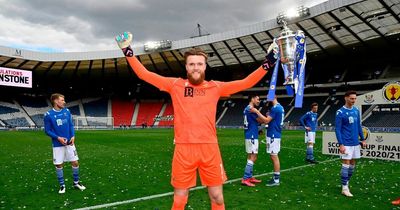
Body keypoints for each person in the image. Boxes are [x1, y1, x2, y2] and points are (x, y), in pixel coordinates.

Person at [115, 32, 277, 210]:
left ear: (205, 66)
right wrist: (126, 49)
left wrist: (268, 63)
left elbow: (245, 82)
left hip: (209, 149)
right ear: (186, 67)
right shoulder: (175, 85)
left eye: (199, 64)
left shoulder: (216, 87)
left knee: (217, 197)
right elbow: (144, 74)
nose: (195, 67)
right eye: (191, 64)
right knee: (179, 198)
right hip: (183, 150)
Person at [44, 93, 86, 194]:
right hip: (58, 144)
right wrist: (58, 138)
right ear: (55, 101)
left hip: (70, 143)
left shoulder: (67, 111)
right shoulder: (48, 115)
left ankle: (76, 183)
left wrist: (73, 136)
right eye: (62, 100)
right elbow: (47, 130)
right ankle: (62, 185)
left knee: (75, 162)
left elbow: (71, 125)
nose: (64, 102)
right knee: (59, 165)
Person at [335, 90, 366, 197]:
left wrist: (362, 139)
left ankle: (346, 183)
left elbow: (358, 126)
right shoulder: (340, 112)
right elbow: (337, 129)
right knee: (346, 164)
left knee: (352, 164)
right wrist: (341, 144)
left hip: (355, 142)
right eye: (352, 98)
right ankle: (344, 188)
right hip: (346, 143)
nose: (354, 100)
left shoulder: (356, 110)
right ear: (346, 98)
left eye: (355, 98)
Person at [252, 95, 284, 187]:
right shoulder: (279, 107)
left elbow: (266, 121)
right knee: (273, 156)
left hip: (273, 134)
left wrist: (257, 112)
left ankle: (276, 180)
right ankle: (275, 178)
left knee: (274, 156)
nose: (267, 98)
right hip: (275, 133)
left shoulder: (275, 108)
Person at [241, 95, 263, 187]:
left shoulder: (247, 109)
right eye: (257, 99)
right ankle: (245, 178)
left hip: (249, 134)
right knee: (253, 157)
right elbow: (261, 120)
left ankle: (249, 177)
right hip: (252, 136)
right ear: (252, 99)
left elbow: (253, 121)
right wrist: (260, 114)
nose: (259, 101)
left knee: (251, 156)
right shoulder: (251, 109)